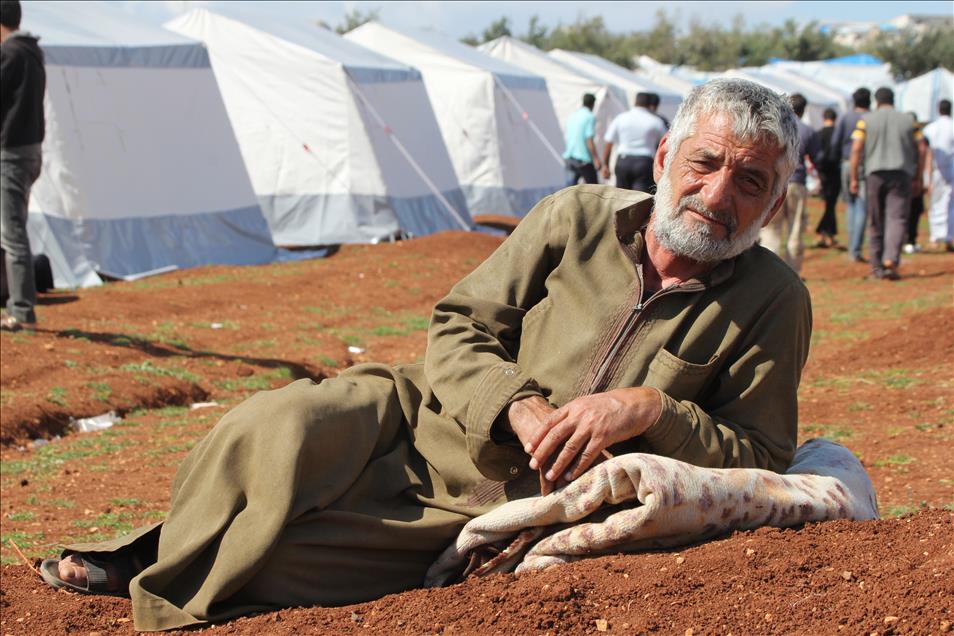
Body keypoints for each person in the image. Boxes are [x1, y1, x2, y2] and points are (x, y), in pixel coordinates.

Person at [41, 78, 809, 632]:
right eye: (705, 164)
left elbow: (763, 454)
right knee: (274, 423)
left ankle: (150, 579)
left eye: (750, 181)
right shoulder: (574, 218)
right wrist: (517, 401)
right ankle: (144, 551)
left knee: (278, 567)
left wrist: (650, 411)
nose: (717, 196)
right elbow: (459, 324)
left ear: (774, 203)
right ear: (668, 155)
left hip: (490, 506)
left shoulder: (774, 300)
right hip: (419, 415)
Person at [0, 0, 45, 332]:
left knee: (12, 233)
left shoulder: (10, 55)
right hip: (29, 152)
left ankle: (22, 311)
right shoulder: (32, 52)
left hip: (11, 155)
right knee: (11, 228)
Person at [850, 87, 923, 280]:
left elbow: (856, 149)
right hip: (902, 174)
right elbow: (922, 149)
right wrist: (919, 176)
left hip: (874, 175)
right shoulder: (909, 121)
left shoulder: (866, 121)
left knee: (876, 220)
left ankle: (876, 266)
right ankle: (891, 259)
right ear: (894, 100)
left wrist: (854, 178)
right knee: (897, 218)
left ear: (877, 101)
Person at [759, 93, 821, 275]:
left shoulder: (774, 127)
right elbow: (817, 157)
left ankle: (768, 273)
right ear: (803, 110)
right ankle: (793, 272)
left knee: (771, 229)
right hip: (798, 183)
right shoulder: (808, 131)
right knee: (795, 228)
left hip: (775, 183)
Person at [832, 88, 871, 263]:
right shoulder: (871, 118)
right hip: (865, 164)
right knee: (862, 206)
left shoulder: (845, 117)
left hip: (846, 163)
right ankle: (855, 248)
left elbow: (836, 141)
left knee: (850, 204)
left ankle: (851, 246)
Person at [601, 91, 667, 192]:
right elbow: (666, 144)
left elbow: (608, 142)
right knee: (639, 199)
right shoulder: (656, 121)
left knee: (621, 196)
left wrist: (605, 165)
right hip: (644, 162)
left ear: (635, 102)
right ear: (649, 104)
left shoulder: (621, 118)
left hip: (623, 161)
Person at [922, 99, 953, 252]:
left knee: (935, 203)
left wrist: (926, 178)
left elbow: (927, 153)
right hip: (951, 170)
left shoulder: (930, 128)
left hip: (934, 170)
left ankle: (935, 237)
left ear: (938, 109)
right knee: (951, 204)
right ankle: (949, 237)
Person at [562, 92, 602, 186]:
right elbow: (589, 139)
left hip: (570, 157)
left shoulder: (573, 115)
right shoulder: (590, 116)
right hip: (583, 158)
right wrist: (596, 158)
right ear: (593, 104)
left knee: (569, 191)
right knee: (594, 189)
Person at [815, 108, 841, 248]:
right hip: (835, 173)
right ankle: (825, 233)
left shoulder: (818, 133)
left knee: (829, 205)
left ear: (823, 118)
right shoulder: (838, 133)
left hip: (823, 173)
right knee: (831, 205)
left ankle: (826, 234)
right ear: (835, 118)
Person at [903, 114, 929, 254]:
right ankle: (909, 240)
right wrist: (919, 178)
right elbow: (923, 150)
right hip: (911, 176)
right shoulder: (916, 135)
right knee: (913, 209)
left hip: (902, 176)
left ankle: (906, 240)